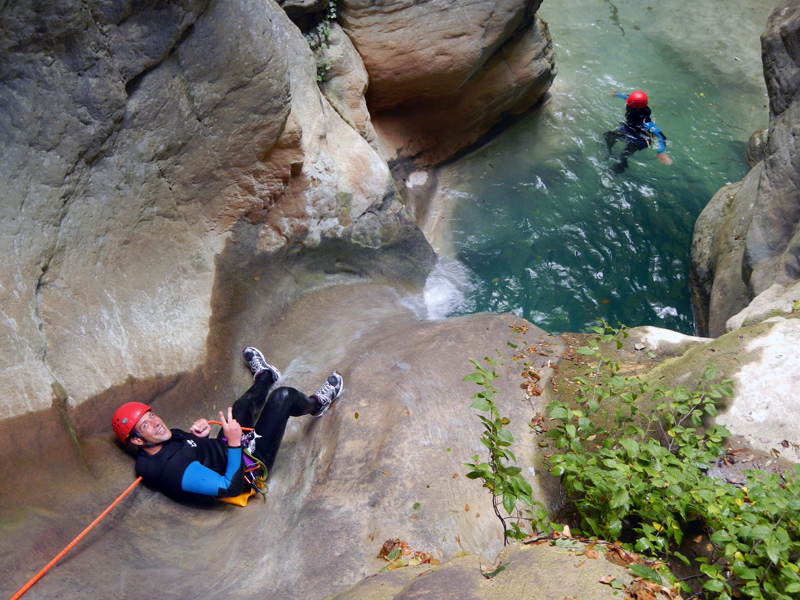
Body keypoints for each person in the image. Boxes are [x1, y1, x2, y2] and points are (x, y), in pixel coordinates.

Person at [111, 347, 343, 504]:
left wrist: (201, 438)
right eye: (145, 425)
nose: (156, 423)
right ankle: (317, 404)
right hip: (246, 468)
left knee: (241, 407)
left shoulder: (159, 440)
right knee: (283, 398)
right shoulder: (173, 471)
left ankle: (266, 376)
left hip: (225, 449)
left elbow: (194, 454)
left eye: (151, 416)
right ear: (137, 440)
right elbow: (229, 488)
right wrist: (234, 444)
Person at [604, 88, 672, 174]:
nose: (626, 106)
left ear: (637, 109)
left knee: (624, 154)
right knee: (608, 136)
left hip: (641, 138)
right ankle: (607, 153)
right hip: (630, 127)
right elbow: (626, 97)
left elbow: (661, 136)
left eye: (629, 106)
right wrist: (616, 94)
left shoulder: (645, 123)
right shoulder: (633, 104)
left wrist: (661, 152)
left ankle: (617, 170)